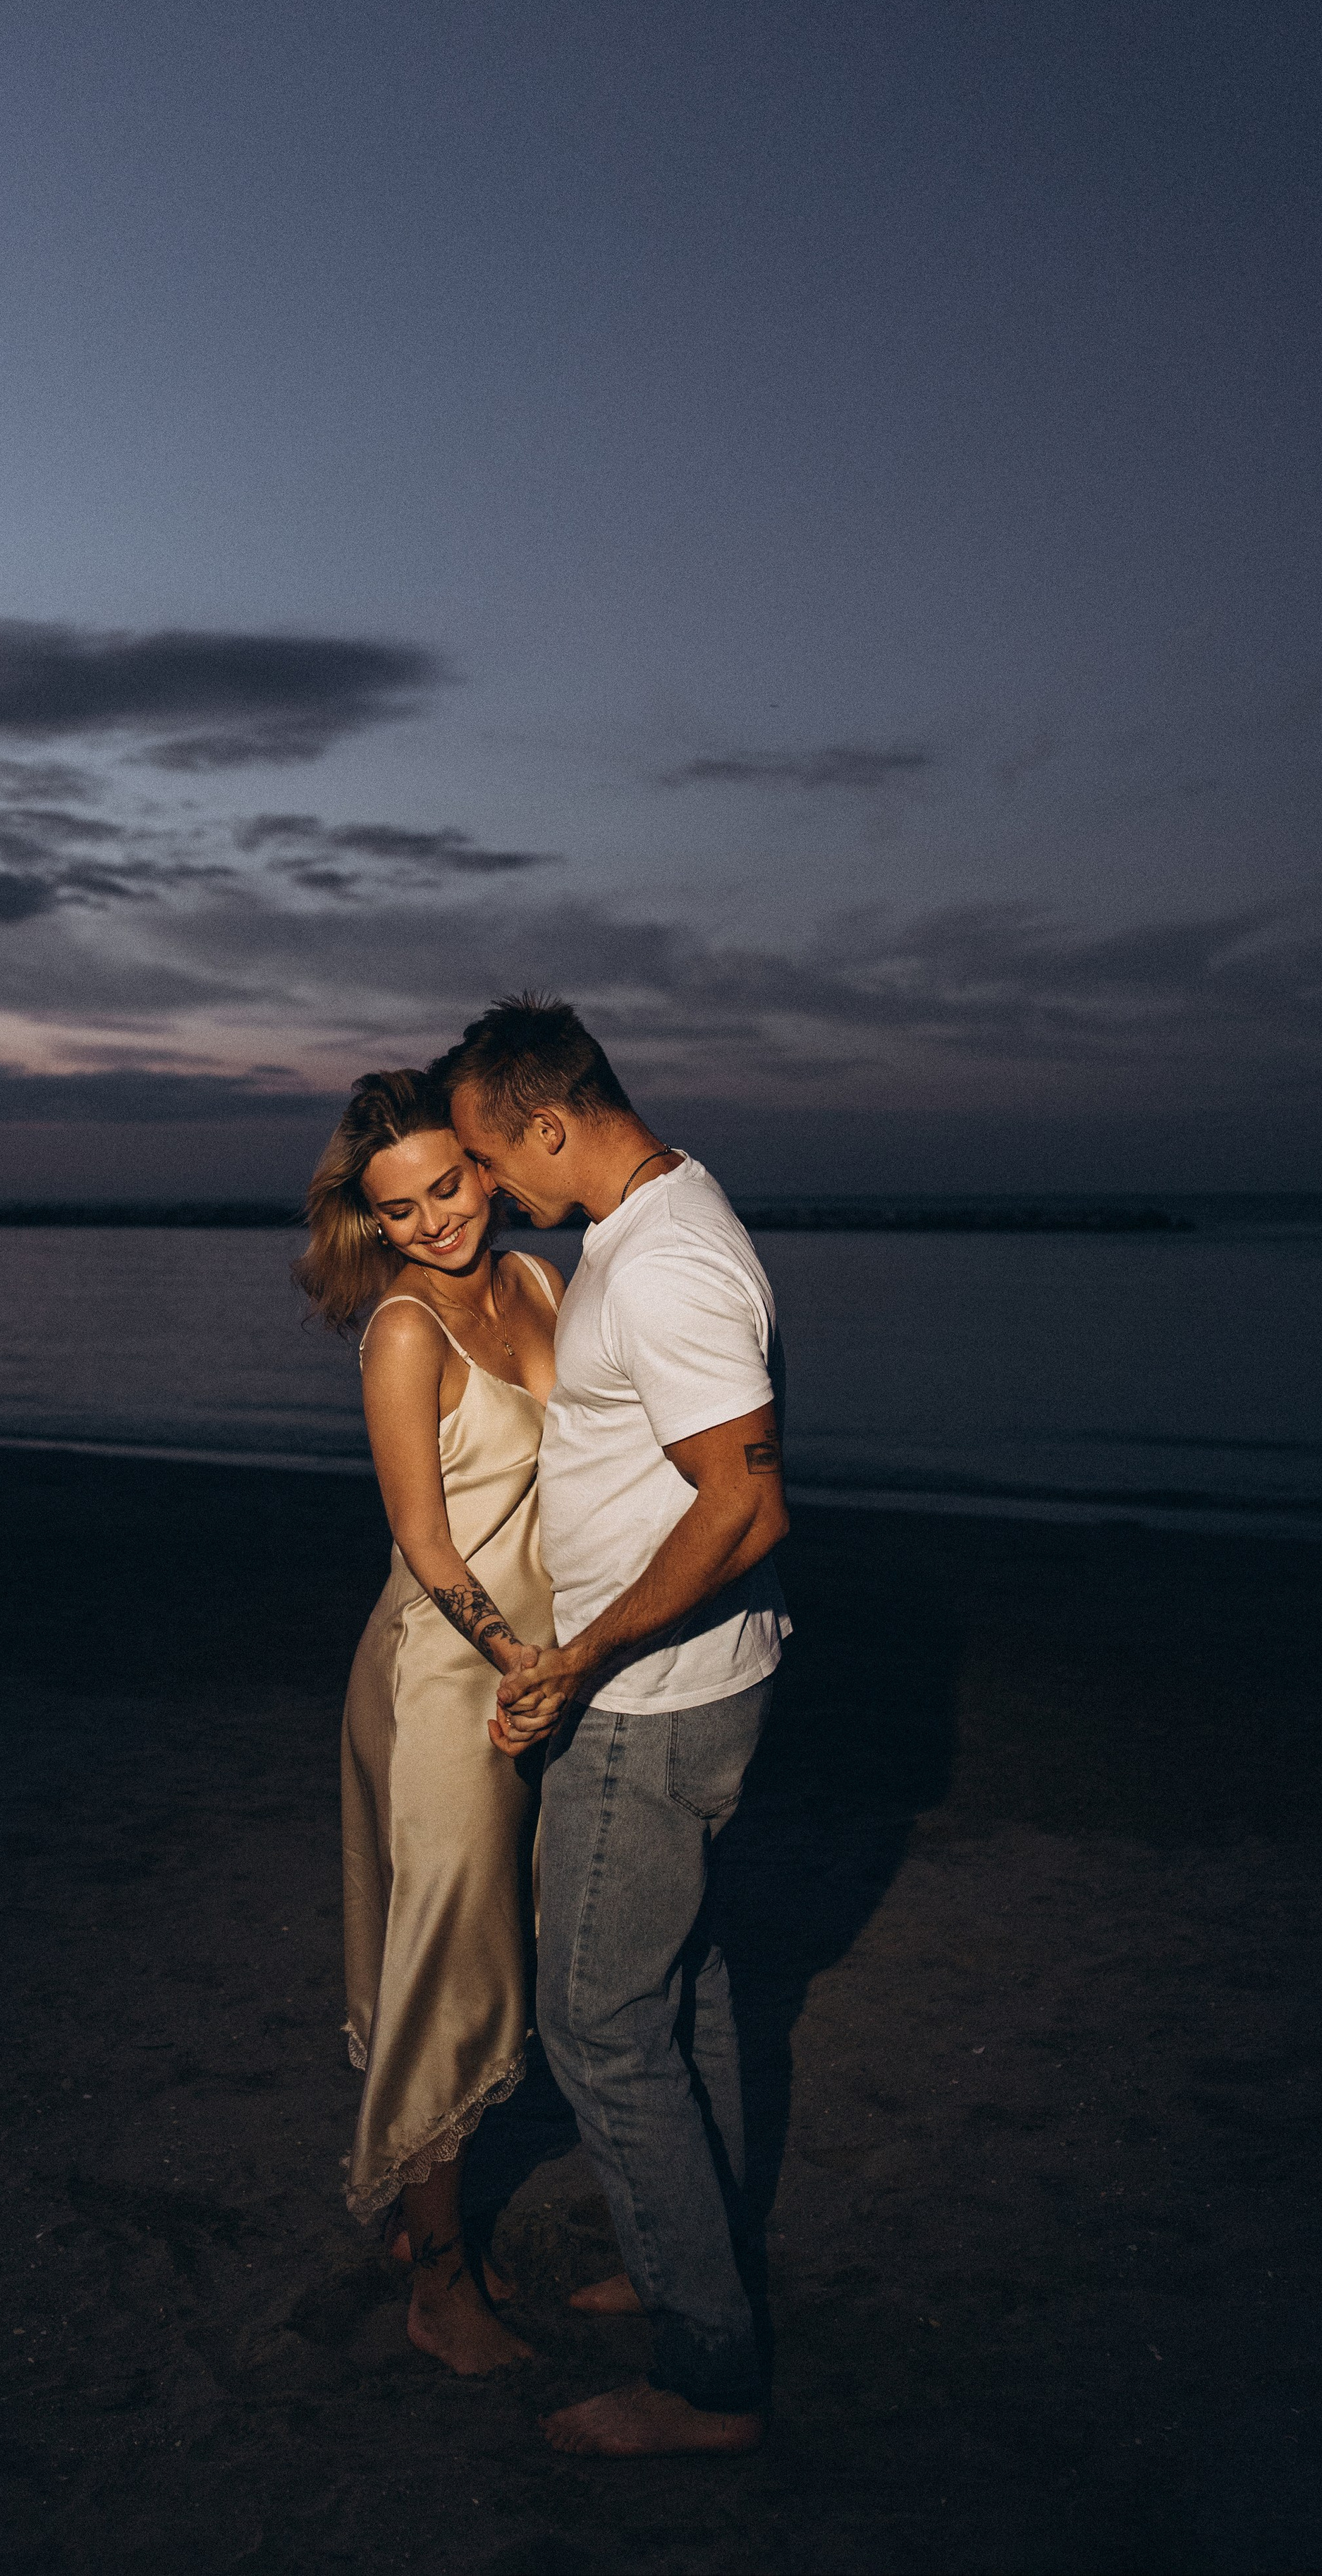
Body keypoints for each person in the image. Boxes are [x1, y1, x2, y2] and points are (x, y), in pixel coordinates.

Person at [437, 996, 790, 2457]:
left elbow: (747, 1500)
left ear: (547, 1121)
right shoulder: (639, 1225)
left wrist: (578, 1656)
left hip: (649, 1704)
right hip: (679, 1685)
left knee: (597, 2024)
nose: (487, 1190)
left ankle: (708, 2373)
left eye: (486, 1156)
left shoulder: (668, 1266)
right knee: (685, 1988)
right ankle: (681, 2262)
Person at [293, 1068, 565, 2375]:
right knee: (449, 1977)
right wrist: (522, 1663)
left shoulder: (539, 1286)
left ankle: (426, 2232)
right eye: (399, 1210)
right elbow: (425, 1540)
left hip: (531, 1673)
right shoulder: (404, 1331)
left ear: (483, 1164)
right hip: (445, 1680)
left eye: (447, 1185)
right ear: (374, 1224)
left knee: (493, 1949)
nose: (436, 1223)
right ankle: (439, 2283)